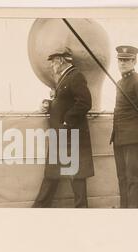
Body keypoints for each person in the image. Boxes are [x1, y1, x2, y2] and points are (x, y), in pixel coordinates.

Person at [33, 47, 94, 208]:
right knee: (53, 172)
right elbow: (66, 102)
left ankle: (81, 209)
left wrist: (67, 120)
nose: (52, 65)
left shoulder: (75, 76)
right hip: (61, 134)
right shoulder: (65, 78)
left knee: (76, 175)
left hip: (70, 133)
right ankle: (39, 207)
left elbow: (85, 102)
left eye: (53, 62)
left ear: (60, 61)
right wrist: (50, 104)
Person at [110, 45, 138, 208]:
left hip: (133, 138)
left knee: (133, 177)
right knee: (122, 177)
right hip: (119, 137)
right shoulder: (120, 82)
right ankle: (124, 210)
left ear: (134, 61)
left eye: (127, 60)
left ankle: (134, 212)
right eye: (120, 60)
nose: (122, 63)